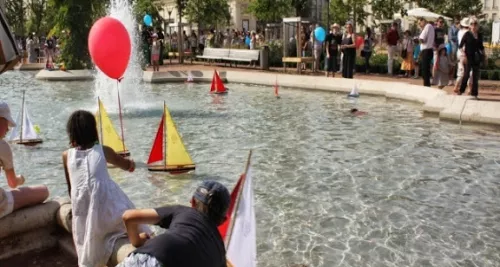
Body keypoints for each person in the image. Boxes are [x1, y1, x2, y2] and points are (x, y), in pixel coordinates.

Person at [62, 110, 150, 267]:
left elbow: (71, 188)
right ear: (94, 131)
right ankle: (137, 237)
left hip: (83, 214)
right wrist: (132, 164)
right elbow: (125, 166)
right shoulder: (103, 150)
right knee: (128, 212)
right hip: (107, 214)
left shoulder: (66, 155)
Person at [117, 180, 231, 267]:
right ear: (223, 221)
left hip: (153, 255)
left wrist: (137, 241)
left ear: (192, 202)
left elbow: (128, 217)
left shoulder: (182, 211)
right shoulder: (220, 250)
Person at [0, 102, 49, 220]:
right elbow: (12, 183)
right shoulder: (3, 146)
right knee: (43, 191)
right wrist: (21, 179)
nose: (8, 129)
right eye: (7, 123)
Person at [458, 18, 484, 98]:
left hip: (476, 57)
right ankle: (461, 90)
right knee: (466, 75)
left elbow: (481, 46)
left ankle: (474, 93)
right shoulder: (467, 34)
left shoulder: (479, 35)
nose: (473, 26)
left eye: (475, 24)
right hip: (468, 57)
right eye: (472, 24)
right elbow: (460, 46)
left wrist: (484, 55)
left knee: (475, 76)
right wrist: (463, 55)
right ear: (469, 25)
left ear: (477, 26)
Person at [454, 18, 472, 94]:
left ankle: (457, 86)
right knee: (470, 71)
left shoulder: (459, 32)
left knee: (461, 71)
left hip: (459, 53)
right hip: (466, 53)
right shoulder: (469, 33)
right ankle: (469, 89)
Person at [418, 17, 435, 87]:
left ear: (423, 21)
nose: (419, 25)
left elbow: (422, 39)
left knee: (424, 70)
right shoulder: (430, 27)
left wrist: (418, 39)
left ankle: (426, 85)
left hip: (426, 50)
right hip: (429, 50)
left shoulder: (427, 26)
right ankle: (427, 84)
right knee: (426, 69)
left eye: (420, 23)